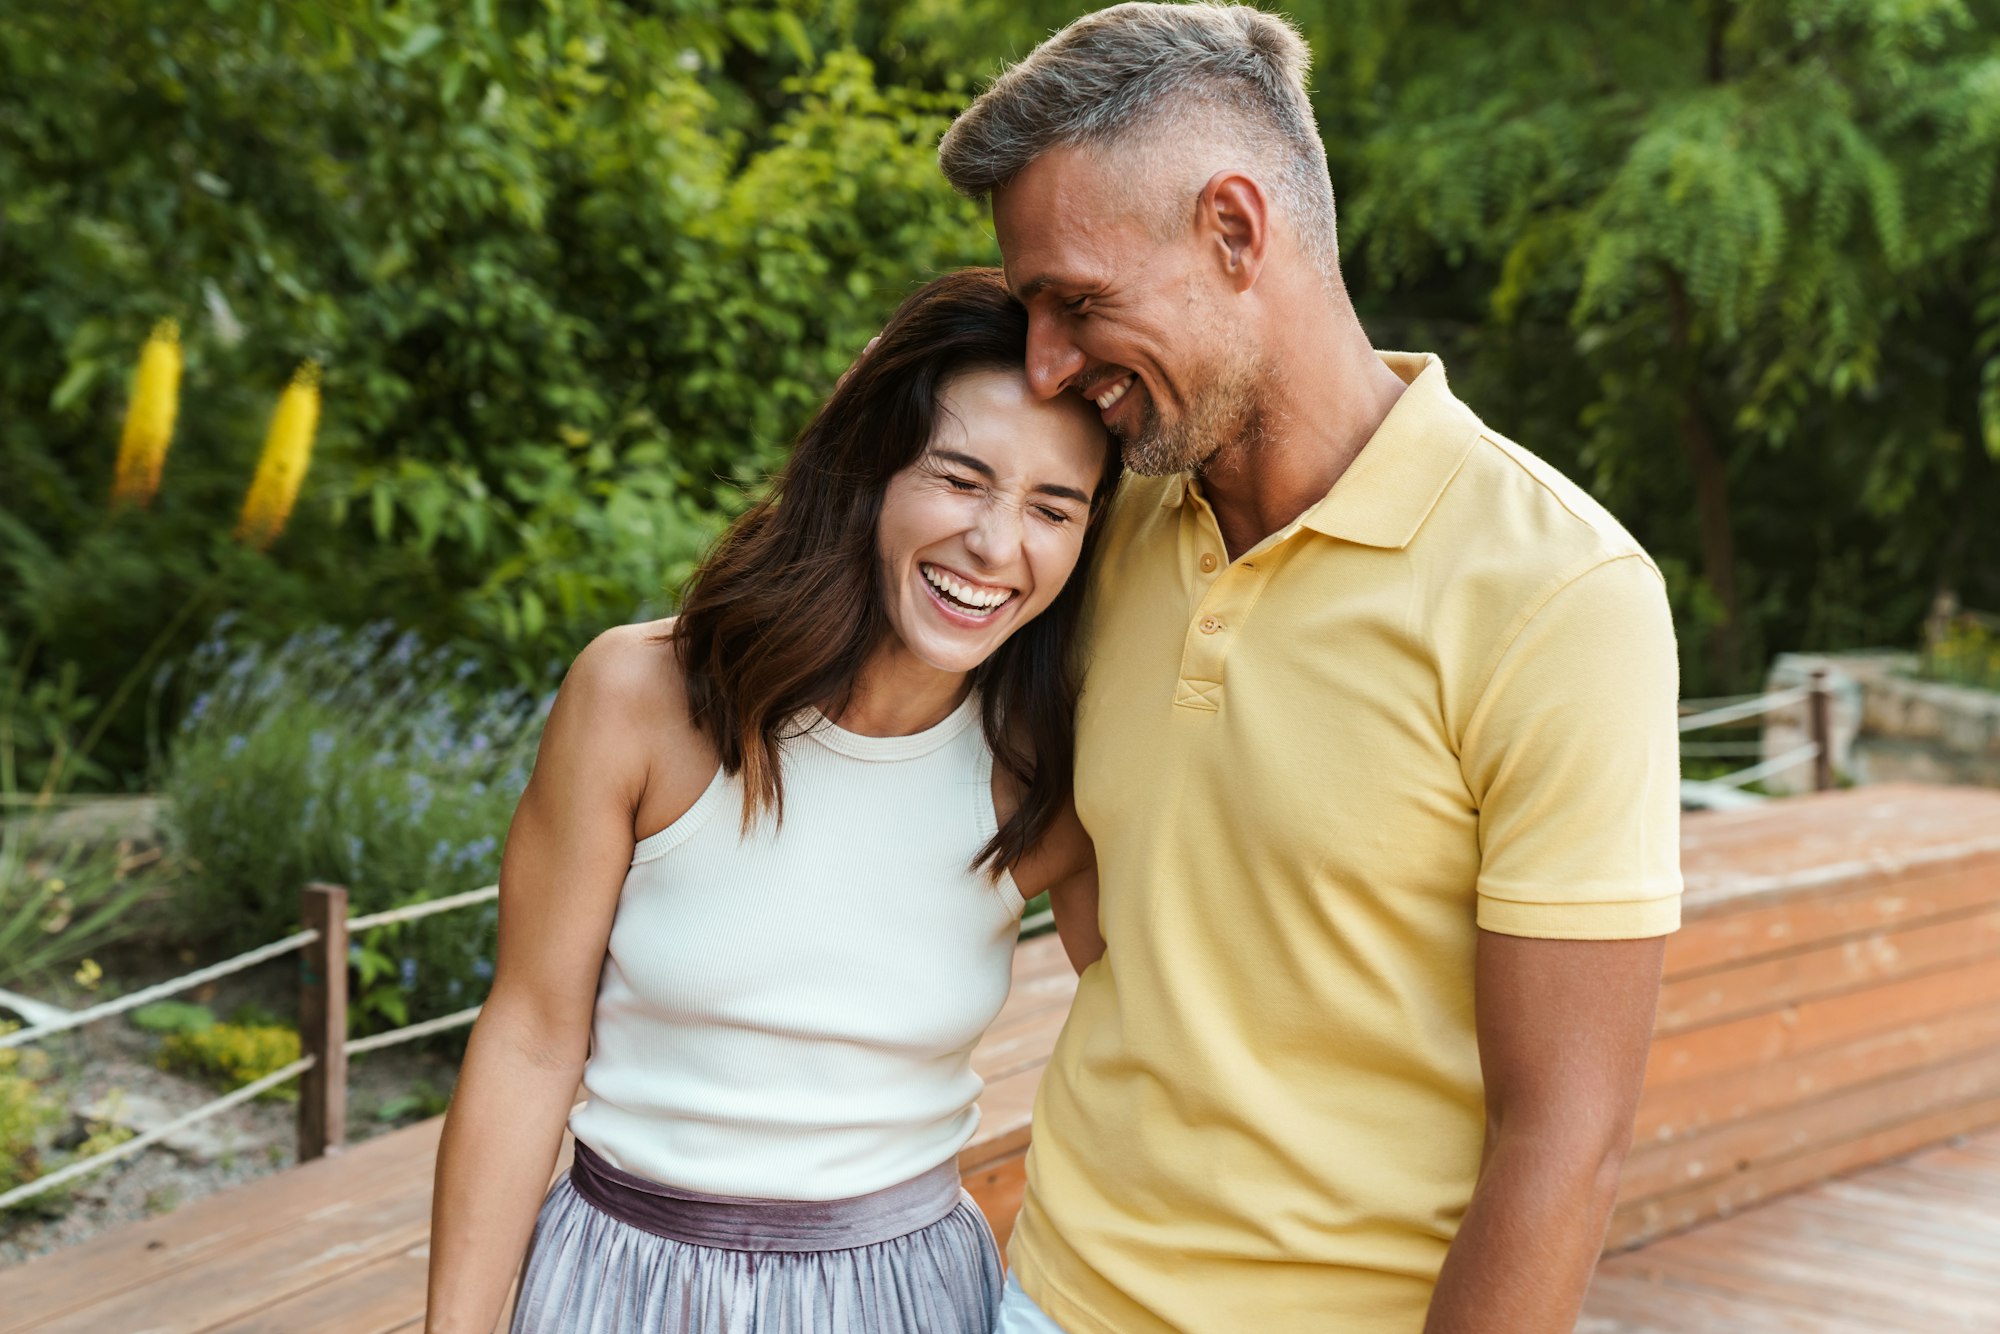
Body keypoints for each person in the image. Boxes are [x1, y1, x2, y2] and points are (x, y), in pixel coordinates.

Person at [935, 6, 1683, 1333]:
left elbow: (1564, 1142)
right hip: (1044, 1298)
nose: (1044, 362)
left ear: (1236, 230)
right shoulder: (1097, 528)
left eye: (1078, 303)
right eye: (1028, 308)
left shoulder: (1560, 594)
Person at [423, 268, 1117, 1334]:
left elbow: (1156, 1032)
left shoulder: (1048, 766)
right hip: (617, 1282)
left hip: (905, 1296)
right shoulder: (637, 697)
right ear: (870, 472)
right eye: (959, 477)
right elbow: (528, 1035)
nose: (993, 543)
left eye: (1050, 507)